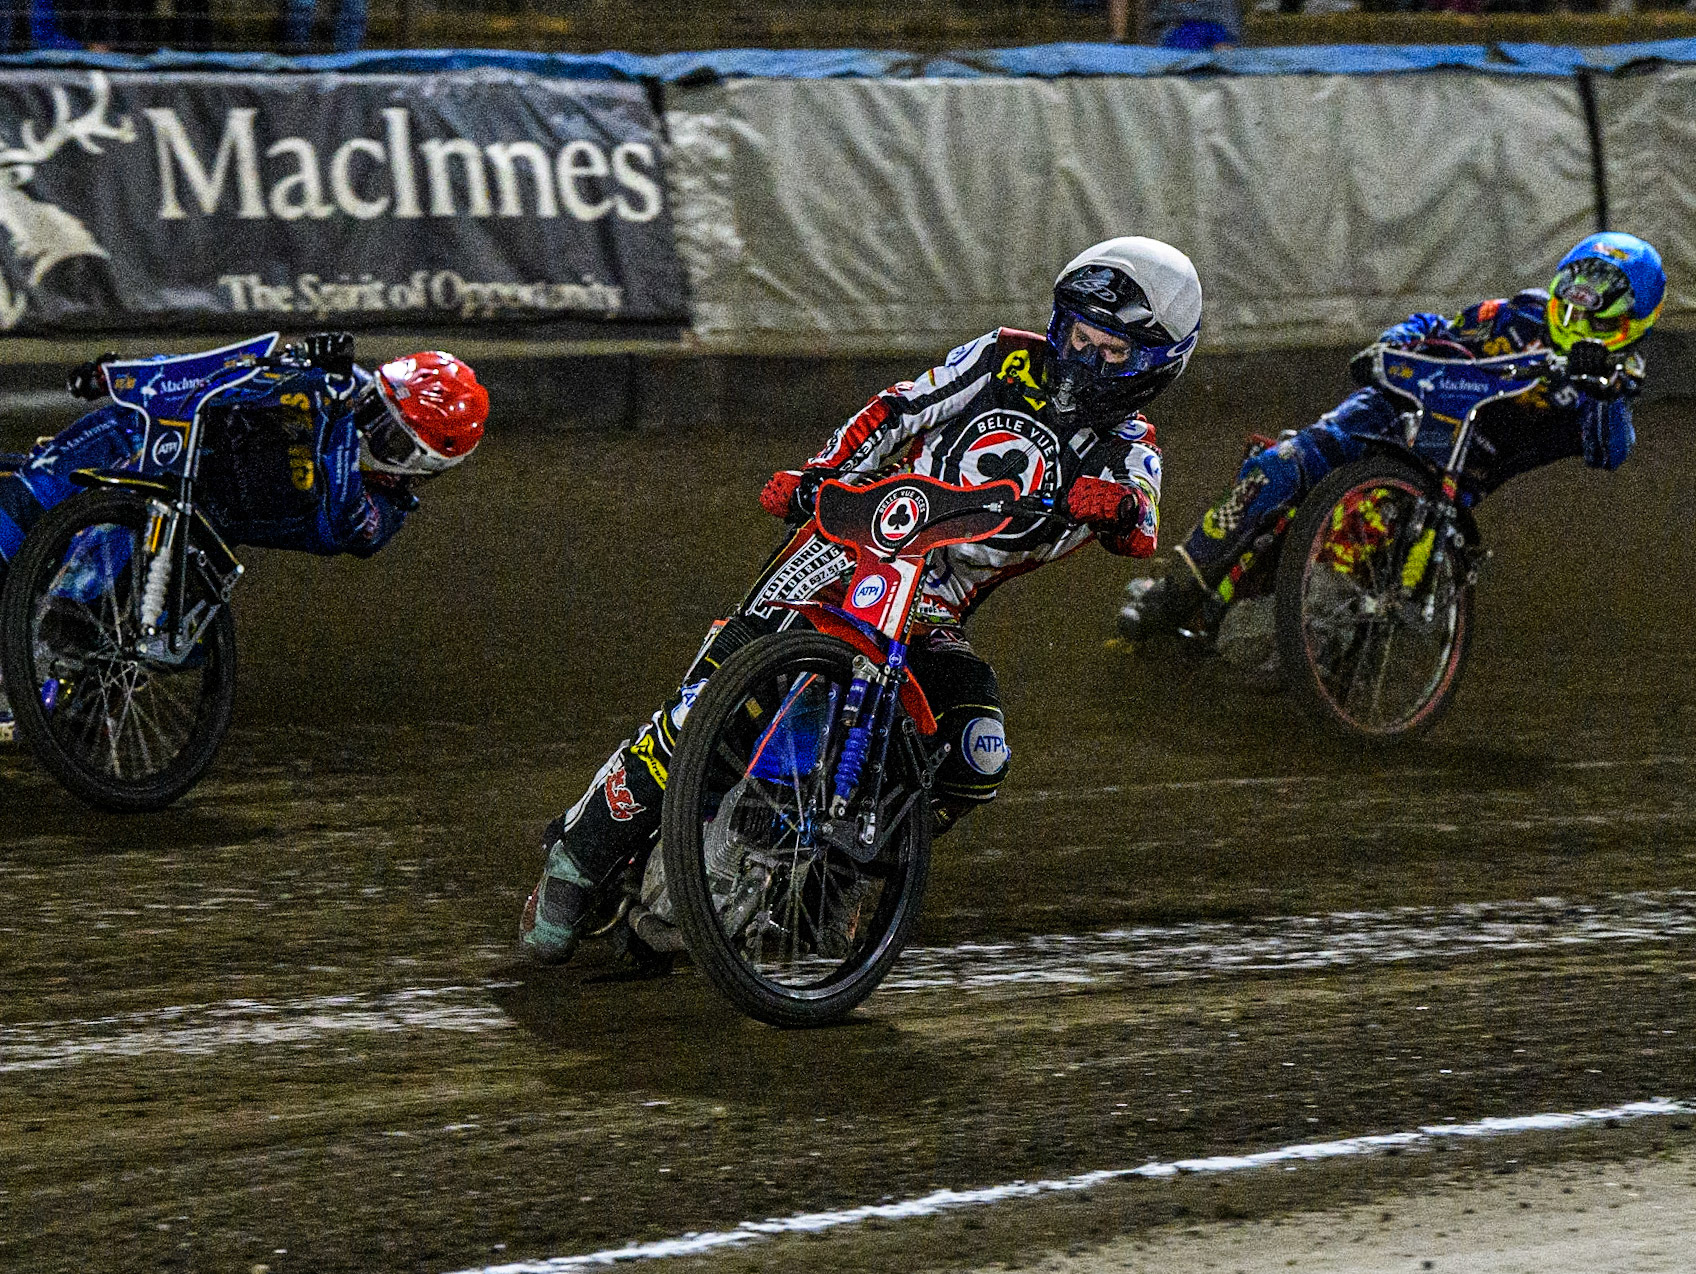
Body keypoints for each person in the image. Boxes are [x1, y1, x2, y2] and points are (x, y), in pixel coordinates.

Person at [518, 236, 1203, 965]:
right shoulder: (1005, 357)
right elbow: (899, 409)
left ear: (1155, 367)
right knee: (709, 701)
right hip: (845, 547)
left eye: (1109, 352)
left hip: (929, 606)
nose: (1081, 359)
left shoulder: (1132, 447)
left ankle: (834, 880)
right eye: (1075, 335)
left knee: (977, 756)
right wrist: (817, 475)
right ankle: (580, 853)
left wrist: (1118, 508)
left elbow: (1142, 521)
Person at [0, 332, 488, 748]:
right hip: (134, 443)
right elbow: (212, 369)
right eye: (379, 412)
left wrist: (346, 412)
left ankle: (65, 687)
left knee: (157, 649)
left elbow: (348, 523)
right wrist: (124, 373)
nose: (376, 433)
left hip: (184, 531)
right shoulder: (330, 388)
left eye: (397, 440)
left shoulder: (382, 509)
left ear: (426, 467)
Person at [1116, 230, 1662, 645]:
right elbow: (1432, 327)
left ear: (1630, 315)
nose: (1580, 301)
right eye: (1577, 285)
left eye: (1598, 295)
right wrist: (1389, 345)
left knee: (1348, 552)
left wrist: (1610, 389)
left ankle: (1313, 641)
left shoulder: (1614, 381)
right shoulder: (1514, 316)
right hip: (1388, 411)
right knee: (1277, 469)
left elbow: (1610, 449)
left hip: (1445, 476)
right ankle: (1172, 591)